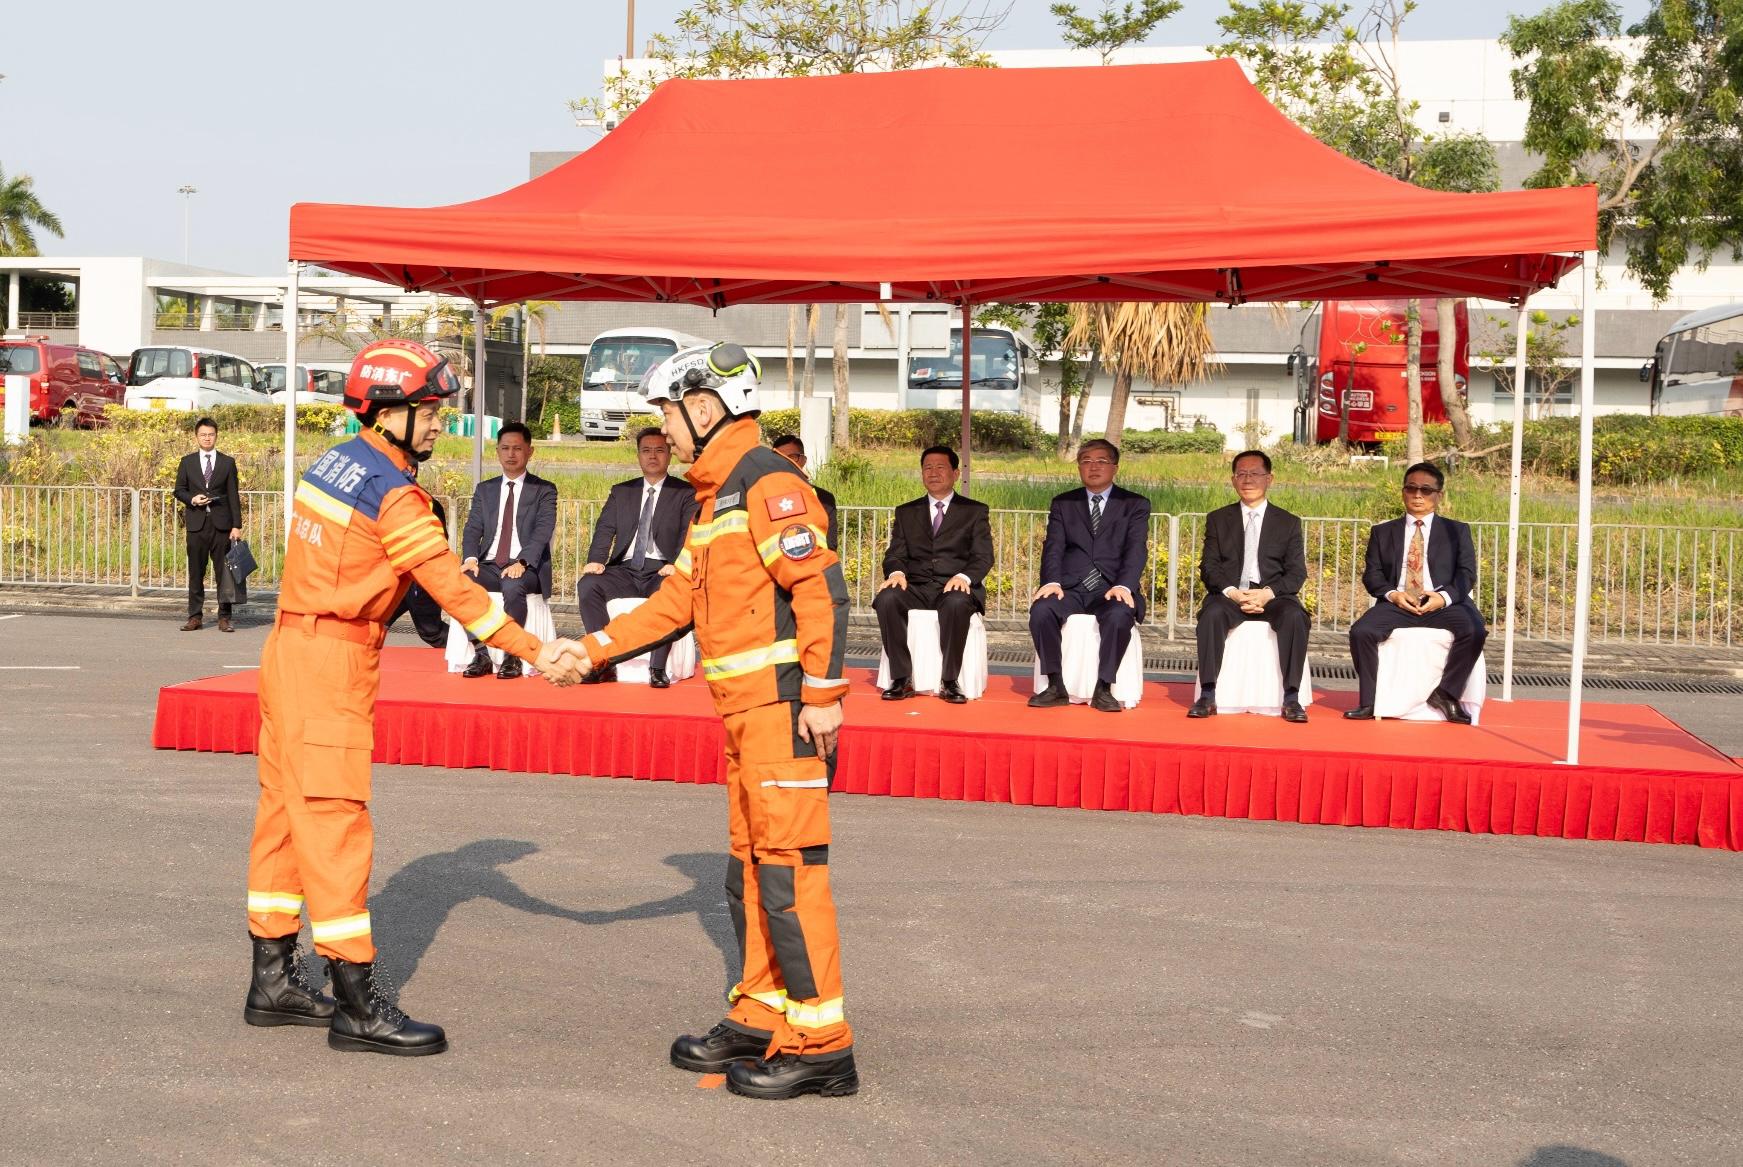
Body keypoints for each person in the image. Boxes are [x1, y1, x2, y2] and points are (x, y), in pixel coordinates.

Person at [244, 339, 583, 1058]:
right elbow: (457, 592)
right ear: (387, 411)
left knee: (284, 812)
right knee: (335, 819)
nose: (437, 425)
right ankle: (357, 1003)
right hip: (331, 660)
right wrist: (535, 651)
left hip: (289, 646)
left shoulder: (335, 461)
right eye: (428, 411)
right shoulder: (394, 492)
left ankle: (271, 978)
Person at [573, 342, 858, 1101]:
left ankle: (821, 1042)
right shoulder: (714, 498)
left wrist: (826, 692)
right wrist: (592, 649)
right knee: (749, 876)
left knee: (791, 877)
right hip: (741, 717)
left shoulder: (766, 481)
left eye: (668, 412)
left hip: (781, 712)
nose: (662, 429)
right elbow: (674, 602)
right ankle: (762, 1013)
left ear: (705, 407)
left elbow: (820, 587)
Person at [1346, 461, 1486, 725]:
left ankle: (1446, 694)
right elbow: (1372, 575)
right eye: (1411, 488)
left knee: (1475, 629)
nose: (1418, 495)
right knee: (1361, 632)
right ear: (1403, 492)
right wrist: (1393, 595)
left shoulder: (1457, 531)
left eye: (1426, 489)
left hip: (1443, 603)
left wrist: (1442, 598)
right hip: (1398, 602)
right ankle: (1370, 700)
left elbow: (1466, 574)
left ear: (1439, 495)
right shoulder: (1382, 532)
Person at [1028, 439, 1151, 713]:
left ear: (1115, 467)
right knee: (1042, 610)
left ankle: (1104, 687)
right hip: (1070, 588)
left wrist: (1124, 585)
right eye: (1086, 461)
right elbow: (1054, 547)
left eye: (1101, 461)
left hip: (1110, 587)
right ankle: (1055, 685)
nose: (1093, 467)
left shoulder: (1134, 504)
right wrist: (1051, 581)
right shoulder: (1064, 503)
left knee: (1120, 615)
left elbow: (1135, 549)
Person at [1189, 450, 1311, 723]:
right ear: (1233, 480)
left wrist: (1267, 594)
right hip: (1232, 594)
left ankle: (1291, 698)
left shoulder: (1288, 522)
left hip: (1272, 596)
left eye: (1254, 473)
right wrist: (1232, 591)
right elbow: (1209, 567)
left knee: (1294, 617)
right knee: (1211, 615)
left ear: (1269, 479)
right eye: (1241, 474)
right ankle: (1208, 694)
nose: (1247, 480)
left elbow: (1296, 572)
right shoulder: (1219, 519)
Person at [576, 428, 698, 688]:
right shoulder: (622, 491)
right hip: (626, 569)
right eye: (646, 450)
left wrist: (674, 564)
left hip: (661, 570)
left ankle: (657, 667)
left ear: (668, 455)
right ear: (638, 455)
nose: (652, 456)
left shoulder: (686, 492)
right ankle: (602, 662)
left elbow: (688, 532)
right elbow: (605, 528)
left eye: (659, 450)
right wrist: (596, 559)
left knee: (670, 590)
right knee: (588, 585)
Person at [874, 445, 993, 704]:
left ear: (954, 473)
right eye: (928, 467)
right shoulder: (907, 512)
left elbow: (983, 557)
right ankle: (901, 678)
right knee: (887, 598)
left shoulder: (974, 511)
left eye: (940, 467)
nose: (933, 473)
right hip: (916, 586)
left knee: (956, 602)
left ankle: (950, 680)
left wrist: (963, 577)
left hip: (953, 586)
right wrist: (896, 572)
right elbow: (895, 553)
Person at [459, 423, 558, 679]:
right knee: (462, 582)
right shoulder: (485, 489)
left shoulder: (544, 490)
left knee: (513, 585)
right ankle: (480, 652)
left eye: (517, 448)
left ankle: (512, 656)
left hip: (527, 566)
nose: (511, 454)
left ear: (530, 451)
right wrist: (470, 558)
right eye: (505, 448)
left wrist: (522, 562)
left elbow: (542, 532)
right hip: (490, 563)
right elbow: (472, 529)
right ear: (497, 451)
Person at [173, 417, 242, 632]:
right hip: (197, 524)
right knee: (196, 572)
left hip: (222, 525)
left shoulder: (227, 462)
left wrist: (236, 525)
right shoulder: (187, 461)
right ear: (196, 437)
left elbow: (233, 495)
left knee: (225, 573)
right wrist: (192, 499)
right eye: (203, 434)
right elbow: (179, 489)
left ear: (216, 436)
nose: (206, 438)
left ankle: (224, 617)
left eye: (210, 434)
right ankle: (195, 616)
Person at [388, 496, 450, 649]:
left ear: (412, 470)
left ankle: (479, 649)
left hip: (420, 578)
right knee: (372, 623)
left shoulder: (427, 503)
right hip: (395, 576)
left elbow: (437, 543)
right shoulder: (389, 497)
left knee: (432, 632)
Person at [769, 434, 838, 551]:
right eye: (779, 458)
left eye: (792, 457)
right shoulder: (762, 496)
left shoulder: (823, 498)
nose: (785, 463)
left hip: (813, 566)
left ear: (803, 460)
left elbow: (830, 544)